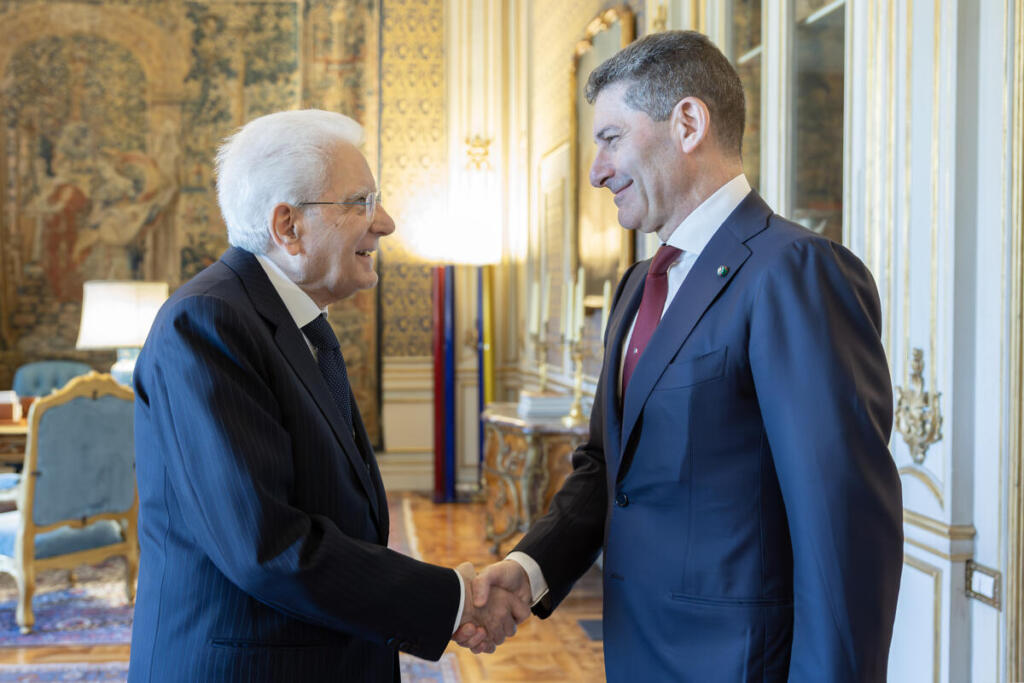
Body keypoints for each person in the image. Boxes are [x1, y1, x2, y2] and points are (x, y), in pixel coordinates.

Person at [459, 31, 903, 681]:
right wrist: (529, 570)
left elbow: (842, 531)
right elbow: (608, 469)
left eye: (610, 137)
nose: (596, 171)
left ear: (688, 123)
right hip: (639, 653)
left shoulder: (794, 271)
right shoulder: (639, 285)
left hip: (741, 663)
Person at [129, 109, 525, 682]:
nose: (384, 222)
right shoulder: (209, 322)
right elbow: (266, 545)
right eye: (360, 202)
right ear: (287, 226)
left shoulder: (288, 322)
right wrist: (453, 599)